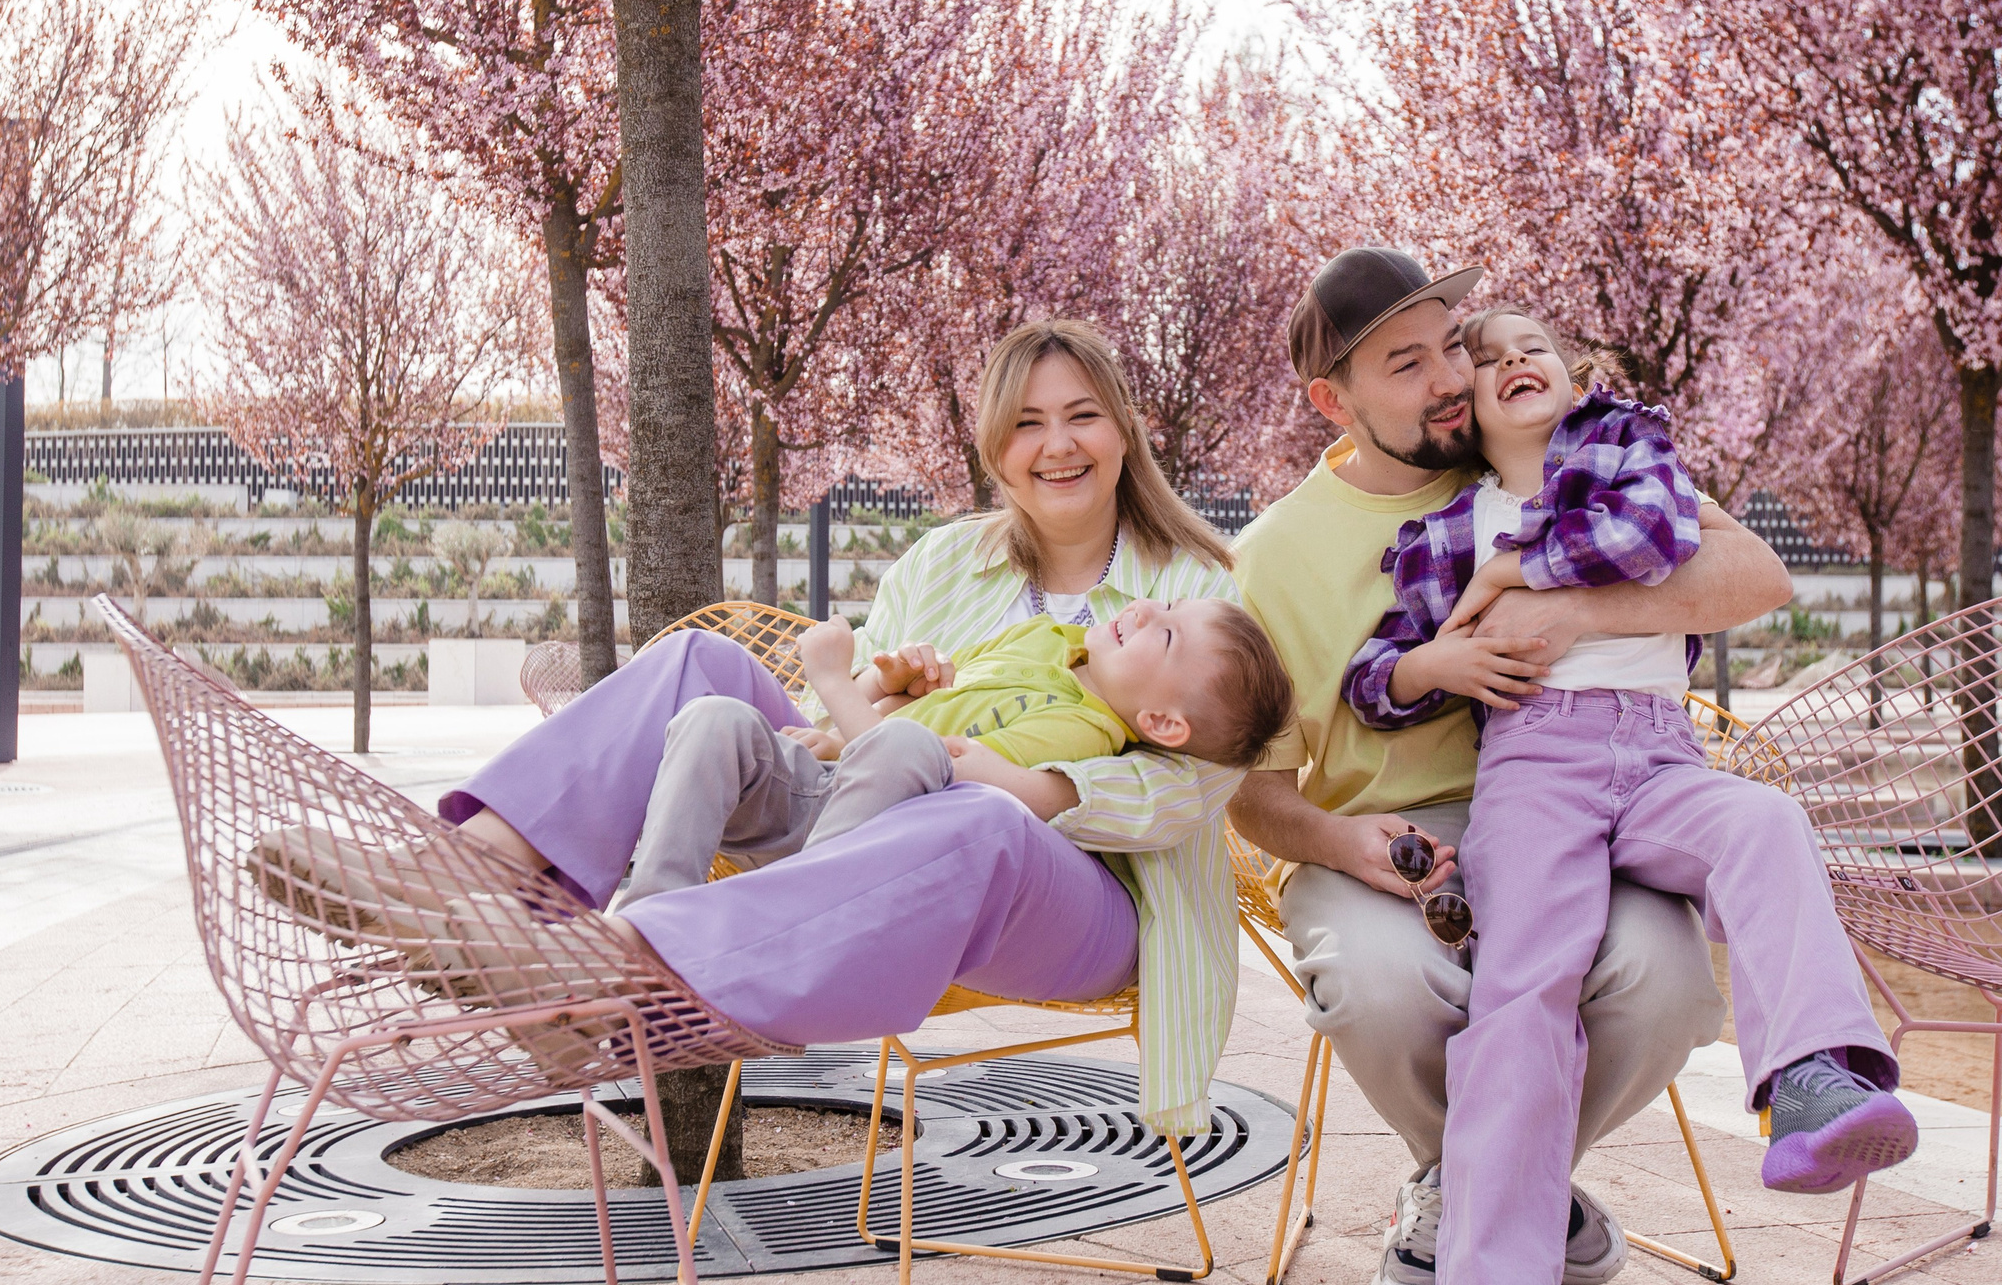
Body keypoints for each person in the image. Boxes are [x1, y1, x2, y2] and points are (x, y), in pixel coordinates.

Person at [258, 318, 1257, 1138]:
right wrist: (880, 688)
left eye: (1083, 415)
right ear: (995, 445)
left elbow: (1205, 783)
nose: (1059, 444)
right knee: (704, 670)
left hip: (1085, 901)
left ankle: (608, 967)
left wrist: (1025, 783)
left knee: (976, 819)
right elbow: (845, 743)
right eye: (1029, 421)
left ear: (1125, 429)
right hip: (872, 844)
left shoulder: (1197, 586)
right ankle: (465, 881)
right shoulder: (945, 566)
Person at [1346, 304, 1913, 1285]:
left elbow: (1653, 536)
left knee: (1763, 824)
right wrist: (1430, 661)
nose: (1511, 361)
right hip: (1533, 764)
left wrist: (1519, 568)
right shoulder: (1441, 531)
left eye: (1533, 348)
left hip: (1659, 746)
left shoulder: (1628, 453)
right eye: (1486, 353)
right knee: (1522, 997)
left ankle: (1809, 1080)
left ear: (1577, 375)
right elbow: (1371, 672)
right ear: (1462, 401)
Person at [1228, 248, 1791, 1285]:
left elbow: (1753, 576)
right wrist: (1343, 844)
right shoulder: (1270, 556)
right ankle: (1490, 1186)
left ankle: (1484, 1194)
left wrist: (1570, 610)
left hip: (1590, 799)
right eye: (1405, 363)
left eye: (1453, 343)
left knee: (1665, 982)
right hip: (1386, 839)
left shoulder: (1551, 449)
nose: (1449, 377)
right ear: (1329, 399)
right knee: (1386, 985)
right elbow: (1253, 794)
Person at [612, 600, 1292, 908]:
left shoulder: (1085, 734)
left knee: (907, 749)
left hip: (870, 845)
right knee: (714, 718)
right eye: (1165, 605)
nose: (1144, 612)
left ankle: (787, 921)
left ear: (1162, 723)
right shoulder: (1044, 638)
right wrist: (876, 693)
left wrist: (830, 682)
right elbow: (910, 719)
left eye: (1166, 636)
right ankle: (651, 917)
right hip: (819, 798)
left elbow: (933, 766)